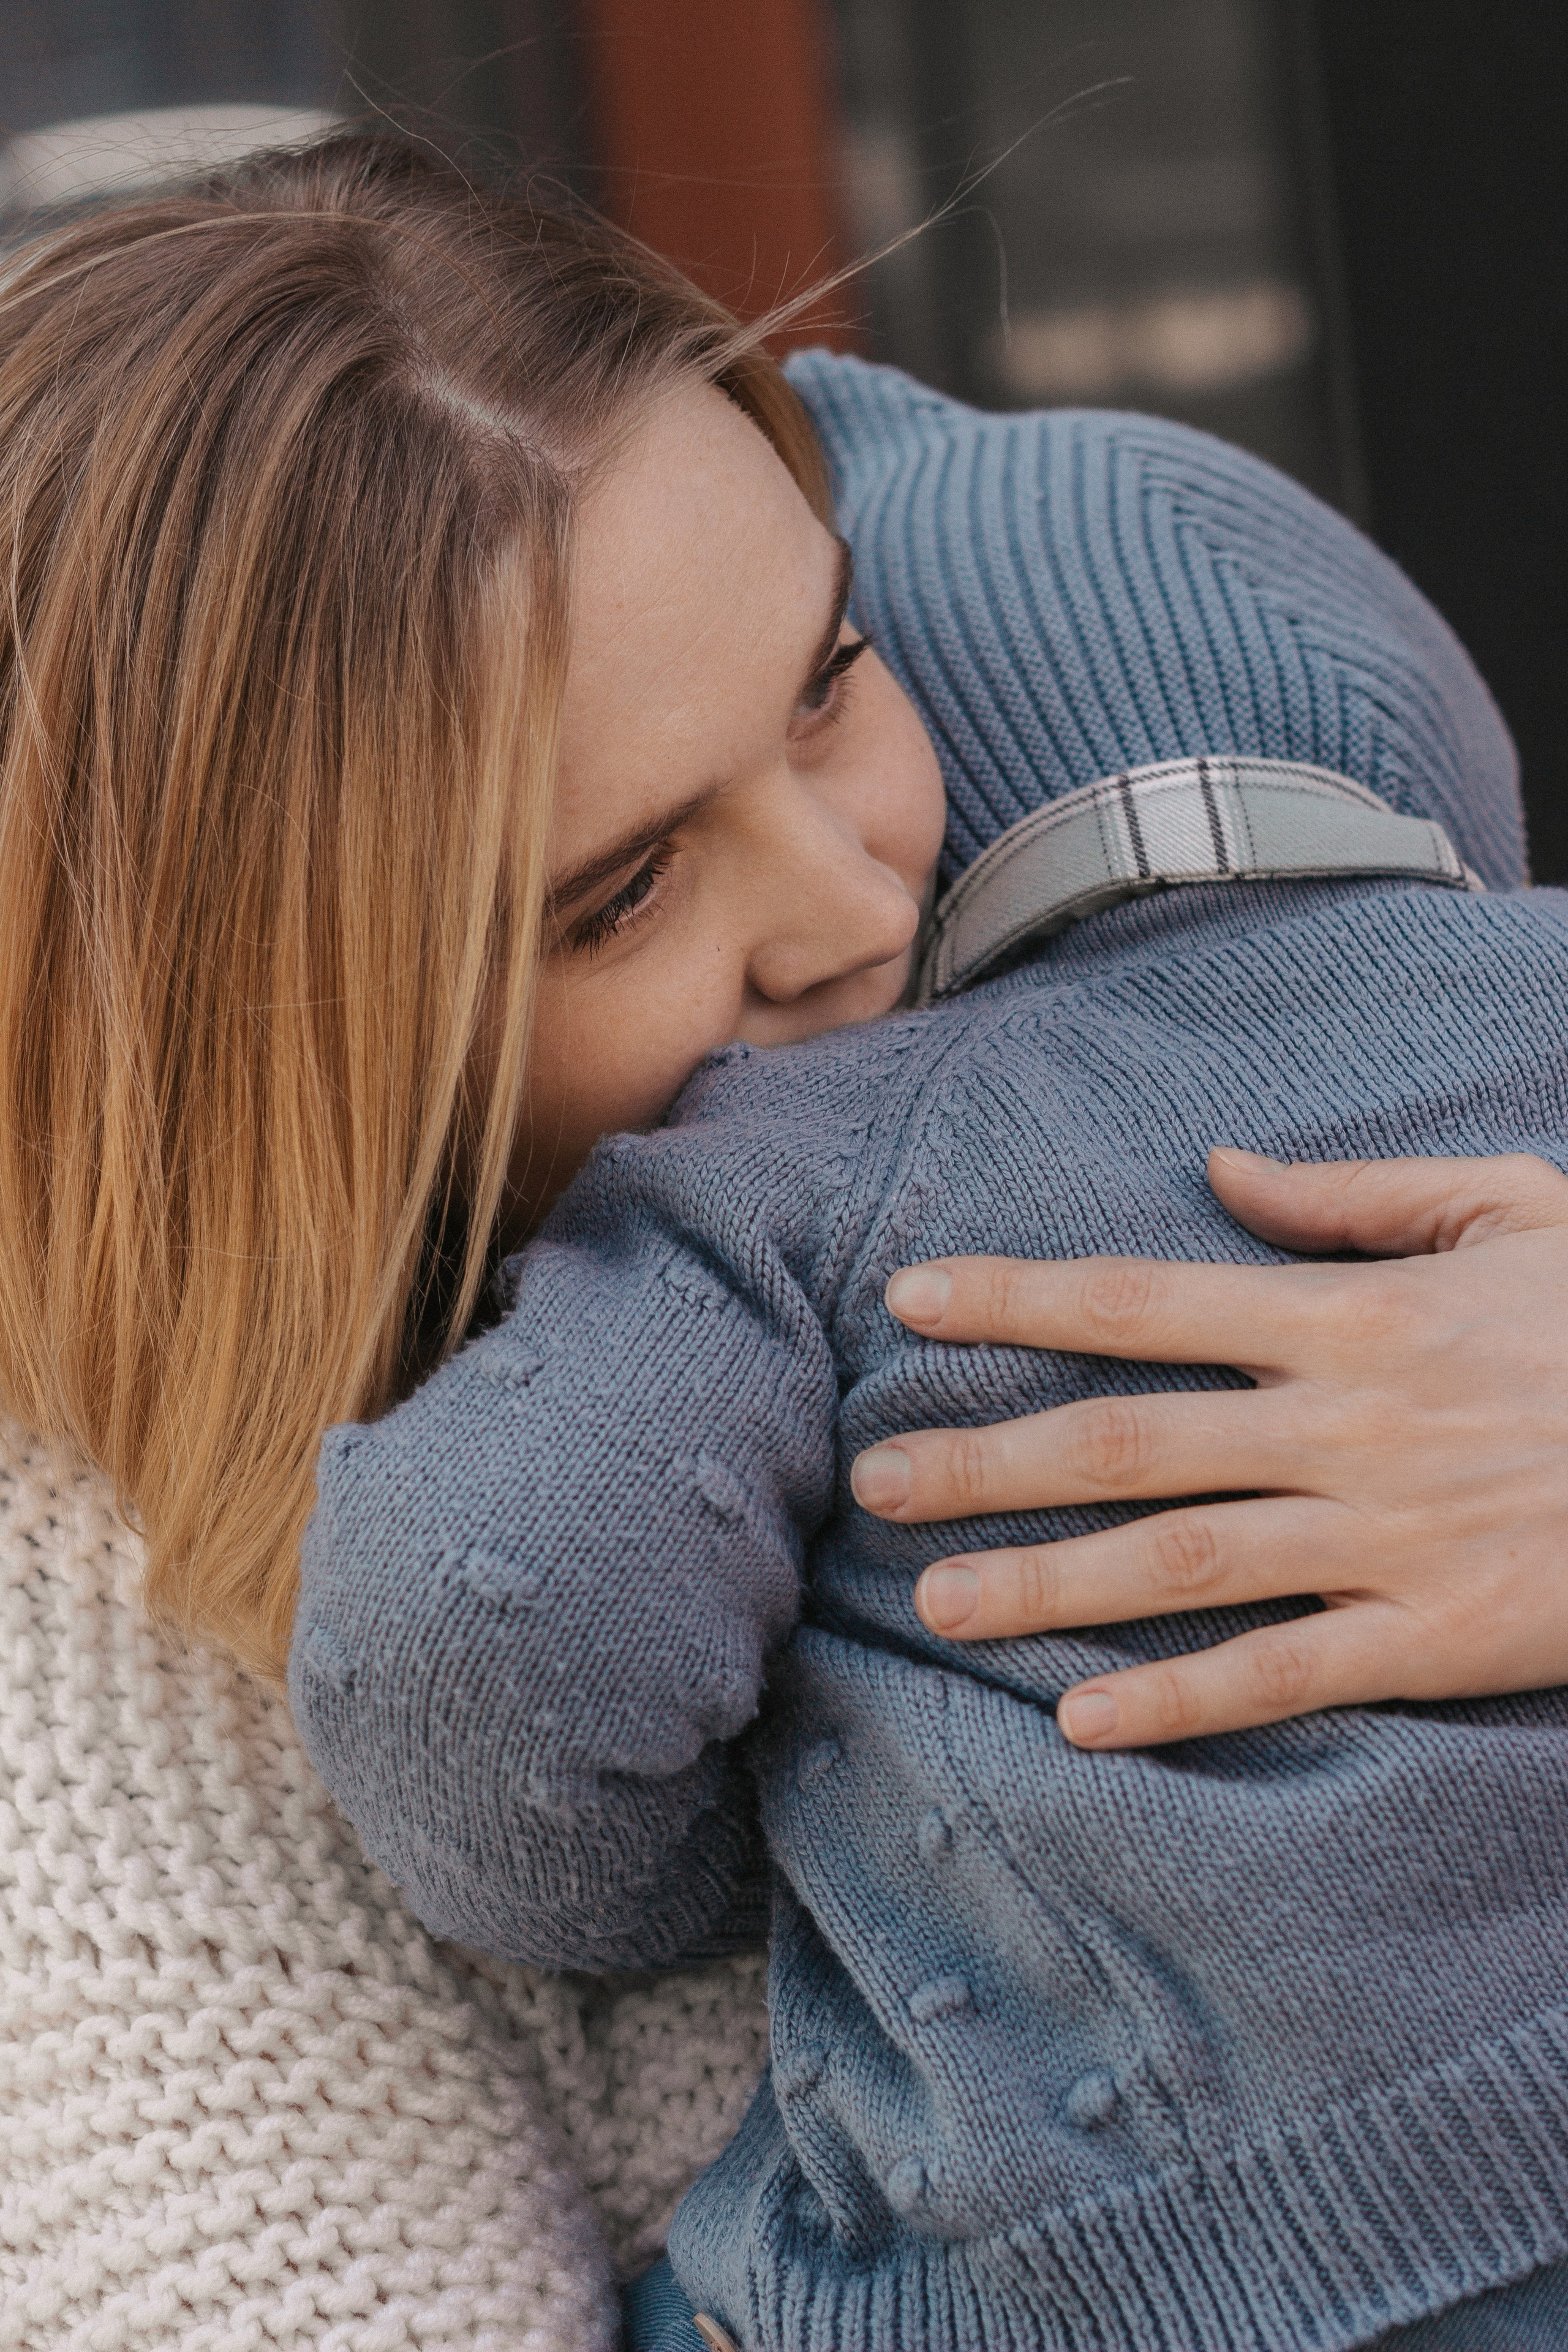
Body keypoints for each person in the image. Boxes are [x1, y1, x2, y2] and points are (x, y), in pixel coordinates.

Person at [0, 127, 1563, 2351]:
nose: (858, 908)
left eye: (829, 678)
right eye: (621, 893)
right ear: (268, 1054)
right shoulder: (120, 1751)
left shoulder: (1036, 985)